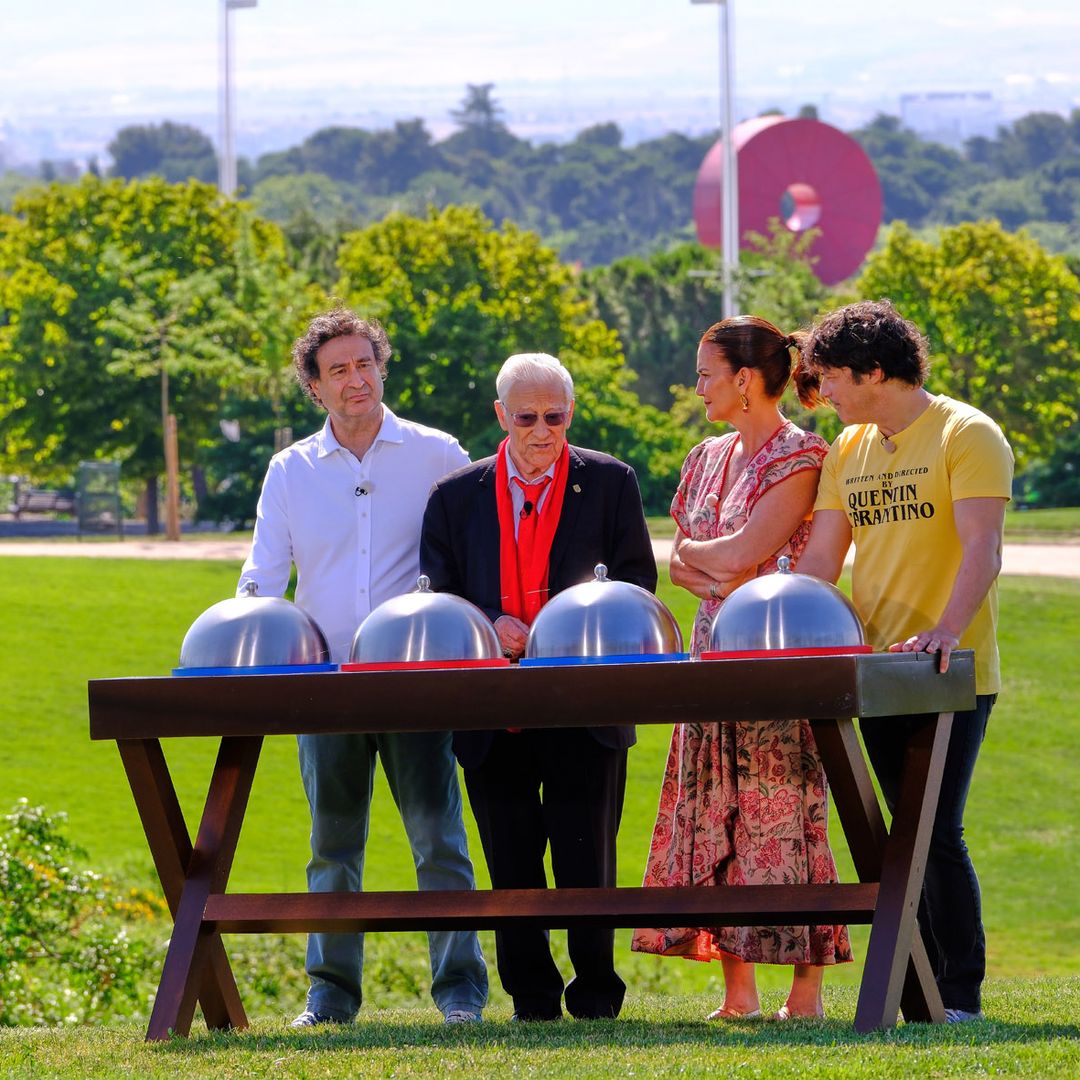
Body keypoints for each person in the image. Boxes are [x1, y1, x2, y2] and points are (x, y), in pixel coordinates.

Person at [238, 307, 488, 1027]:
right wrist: (246, 635)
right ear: (314, 389)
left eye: (364, 363)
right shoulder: (290, 471)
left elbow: (473, 559)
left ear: (382, 368)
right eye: (338, 369)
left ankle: (461, 996)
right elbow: (261, 578)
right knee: (332, 847)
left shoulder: (438, 453)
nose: (356, 379)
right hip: (324, 690)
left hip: (418, 681)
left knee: (440, 840)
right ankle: (330, 997)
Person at [420, 352, 656, 1022]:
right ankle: (531, 1000)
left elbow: (639, 583)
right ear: (501, 416)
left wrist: (565, 627)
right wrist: (487, 623)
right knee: (512, 864)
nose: (543, 430)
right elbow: (435, 595)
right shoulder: (455, 495)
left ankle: (596, 996)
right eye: (527, 417)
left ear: (571, 413)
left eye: (555, 416)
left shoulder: (611, 482)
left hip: (586, 709)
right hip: (493, 714)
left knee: (588, 860)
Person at [795, 299, 1013, 1023]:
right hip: (873, 674)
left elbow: (983, 547)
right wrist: (776, 618)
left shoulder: (967, 432)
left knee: (933, 831)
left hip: (950, 670)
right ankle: (916, 992)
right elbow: (822, 560)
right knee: (896, 839)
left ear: (875, 371)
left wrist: (947, 632)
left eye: (830, 378)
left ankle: (960, 996)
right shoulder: (848, 449)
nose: (822, 393)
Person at [631, 316, 853, 1020]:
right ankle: (738, 994)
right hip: (710, 658)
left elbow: (730, 554)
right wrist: (718, 561)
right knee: (716, 815)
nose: (697, 387)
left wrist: (716, 560)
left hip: (780, 658)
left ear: (745, 381)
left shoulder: (802, 458)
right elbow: (681, 562)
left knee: (788, 816)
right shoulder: (703, 457)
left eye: (705, 374)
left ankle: (807, 993)